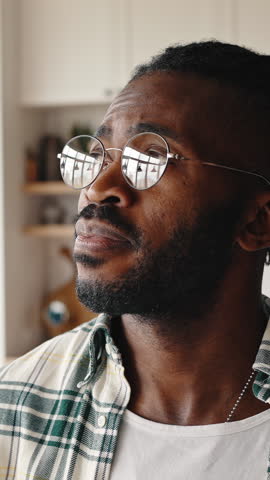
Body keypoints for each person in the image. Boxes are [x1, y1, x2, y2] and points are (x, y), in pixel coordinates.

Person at [1, 40, 270, 479]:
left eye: (152, 156)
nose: (97, 186)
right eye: (97, 154)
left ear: (258, 221)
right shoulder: (16, 406)